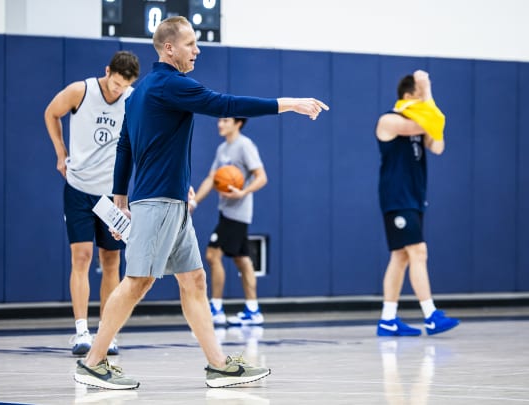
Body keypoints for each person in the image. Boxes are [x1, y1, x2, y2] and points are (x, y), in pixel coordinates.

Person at [73, 16, 328, 390]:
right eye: (191, 43)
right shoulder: (169, 84)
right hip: (158, 203)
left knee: (194, 279)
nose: (197, 49)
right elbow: (222, 103)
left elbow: (125, 145)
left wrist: (120, 199)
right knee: (137, 283)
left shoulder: (140, 91)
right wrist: (288, 103)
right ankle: (93, 363)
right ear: (169, 48)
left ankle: (219, 365)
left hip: (169, 201)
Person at [44, 51, 140, 355]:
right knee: (81, 257)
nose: (117, 91)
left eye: (123, 87)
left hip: (112, 195)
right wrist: (60, 151)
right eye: (114, 84)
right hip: (79, 189)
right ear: (107, 71)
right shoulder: (80, 91)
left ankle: (107, 333)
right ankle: (81, 331)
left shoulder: (133, 99)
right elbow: (50, 112)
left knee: (111, 262)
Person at [375, 70, 459, 337]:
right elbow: (431, 122)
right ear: (409, 96)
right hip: (397, 197)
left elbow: (438, 145)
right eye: (420, 95)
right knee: (418, 252)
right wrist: (429, 94)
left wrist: (428, 98)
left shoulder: (422, 121)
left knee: (400, 257)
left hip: (414, 196)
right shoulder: (389, 120)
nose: (425, 102)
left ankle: (388, 319)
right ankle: (430, 314)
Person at [190, 117, 267, 327]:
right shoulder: (223, 148)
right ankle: (253, 310)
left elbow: (262, 177)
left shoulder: (245, 145)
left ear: (238, 123)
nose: (220, 124)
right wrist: (194, 203)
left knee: (212, 254)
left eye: (225, 120)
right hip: (226, 211)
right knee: (242, 259)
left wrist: (243, 192)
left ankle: (215, 308)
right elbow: (210, 178)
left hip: (238, 213)